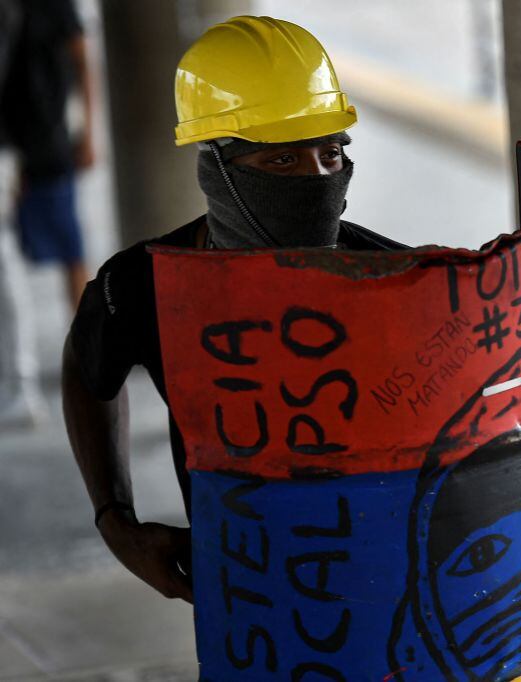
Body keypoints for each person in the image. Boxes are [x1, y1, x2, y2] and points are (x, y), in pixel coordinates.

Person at [62, 15, 403, 603]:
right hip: (248, 606)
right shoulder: (146, 284)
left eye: (329, 154)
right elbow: (87, 364)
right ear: (213, 166)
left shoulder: (395, 281)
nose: (317, 179)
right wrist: (115, 521)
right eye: (281, 162)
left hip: (389, 592)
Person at [0, 0, 93, 427]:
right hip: (8, 147)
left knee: (69, 248)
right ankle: (22, 383)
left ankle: (88, 355)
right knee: (8, 262)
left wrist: (88, 131)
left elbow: (81, 60)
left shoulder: (54, 5)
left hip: (48, 140)